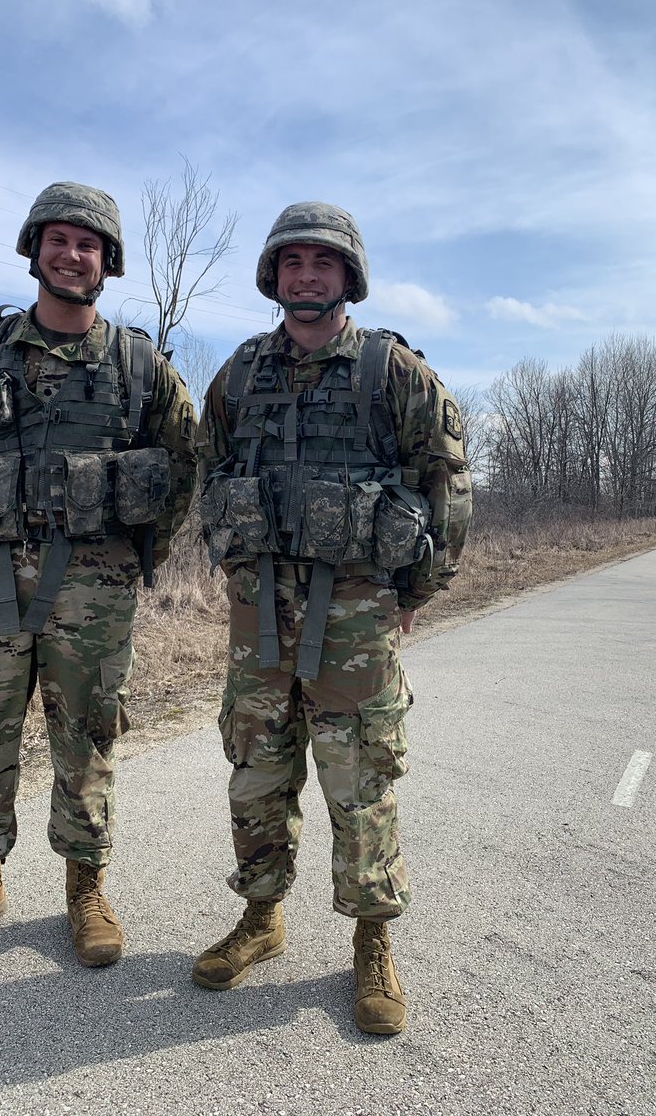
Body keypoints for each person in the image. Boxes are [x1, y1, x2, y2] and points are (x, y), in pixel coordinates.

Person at [0, 182, 197, 967]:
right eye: (58, 240)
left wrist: (136, 556)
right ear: (34, 249)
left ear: (108, 262)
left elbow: (183, 469)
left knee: (88, 737)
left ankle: (84, 889)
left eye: (88, 244)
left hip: (94, 591)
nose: (72, 254)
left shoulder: (139, 365)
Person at [192, 202, 471, 1033]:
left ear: (349, 276)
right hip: (260, 619)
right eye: (291, 262)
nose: (306, 275)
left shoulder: (394, 372)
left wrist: (416, 592)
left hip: (355, 615)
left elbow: (448, 485)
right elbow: (209, 472)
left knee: (361, 783)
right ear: (272, 276)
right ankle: (261, 918)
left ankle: (372, 942)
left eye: (323, 262)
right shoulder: (240, 376)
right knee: (256, 773)